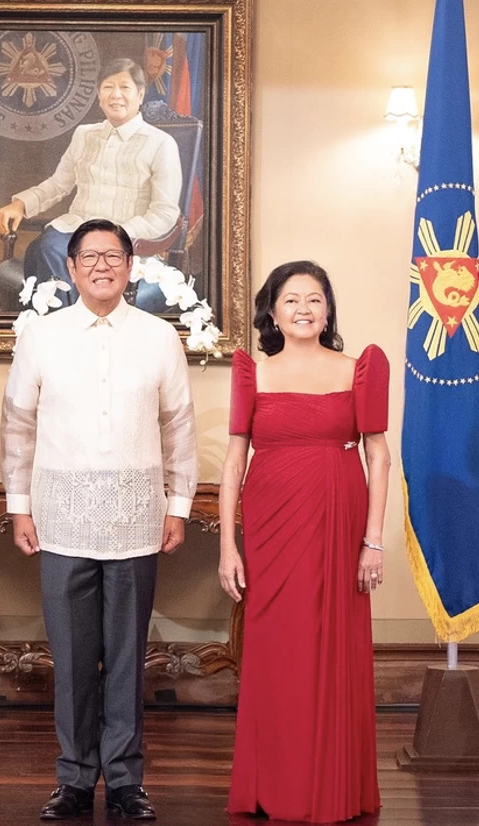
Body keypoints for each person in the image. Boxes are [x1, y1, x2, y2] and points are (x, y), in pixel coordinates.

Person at [0, 219, 197, 820]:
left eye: (114, 256)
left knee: (127, 655)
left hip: (138, 518)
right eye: (90, 256)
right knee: (73, 656)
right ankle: (75, 777)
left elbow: (179, 427)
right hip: (61, 519)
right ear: (72, 267)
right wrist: (18, 506)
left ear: (131, 266)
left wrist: (179, 505)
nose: (103, 266)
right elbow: (18, 426)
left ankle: (127, 778)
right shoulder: (42, 335)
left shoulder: (160, 338)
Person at [219, 260, 389, 823]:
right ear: (272, 310)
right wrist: (227, 545)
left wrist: (373, 542)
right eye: (292, 300)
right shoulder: (253, 373)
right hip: (270, 522)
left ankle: (332, 787)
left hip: (340, 518)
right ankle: (276, 786)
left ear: (328, 309)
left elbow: (379, 457)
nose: (304, 309)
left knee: (331, 641)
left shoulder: (359, 368)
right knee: (277, 649)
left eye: (315, 299)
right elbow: (233, 462)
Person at [0, 58, 182, 312]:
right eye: (108, 87)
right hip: (75, 231)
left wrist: (117, 235)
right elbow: (58, 185)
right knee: (44, 248)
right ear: (98, 95)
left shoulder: (161, 143)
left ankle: (73, 334)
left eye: (125, 88)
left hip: (128, 240)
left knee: (59, 252)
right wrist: (21, 204)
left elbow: (164, 213)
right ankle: (67, 330)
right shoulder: (85, 134)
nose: (116, 95)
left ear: (140, 94)